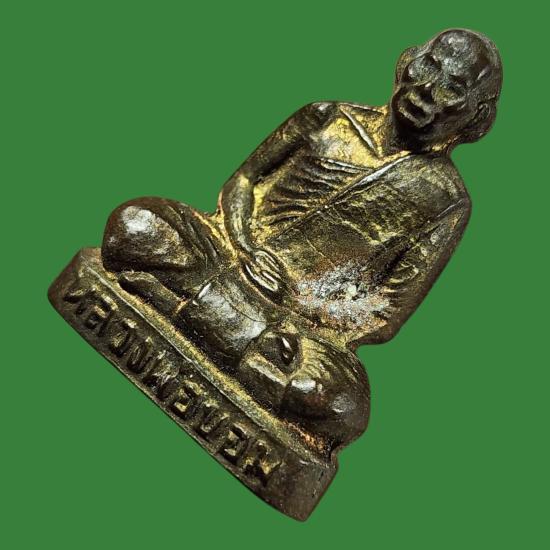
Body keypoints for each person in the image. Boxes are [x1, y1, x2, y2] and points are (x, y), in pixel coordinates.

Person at [101, 29, 502, 446]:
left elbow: (386, 313)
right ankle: (241, 350)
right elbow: (244, 181)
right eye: (429, 68)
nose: (427, 91)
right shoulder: (328, 117)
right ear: (406, 62)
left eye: (453, 89)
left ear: (477, 119)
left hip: (291, 327)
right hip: (224, 257)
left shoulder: (445, 199)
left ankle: (177, 305)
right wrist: (243, 245)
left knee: (340, 405)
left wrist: (296, 303)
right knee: (136, 224)